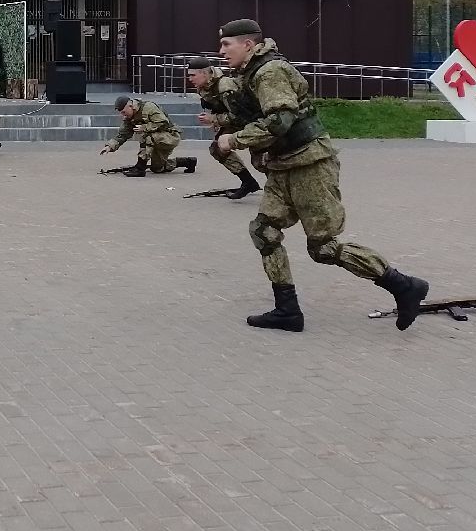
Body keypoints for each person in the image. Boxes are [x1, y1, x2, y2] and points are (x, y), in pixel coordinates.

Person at [215, 19, 430, 332]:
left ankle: (404, 286)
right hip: (283, 167)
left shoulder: (269, 71)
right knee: (264, 232)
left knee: (324, 248)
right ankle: (287, 310)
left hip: (309, 165)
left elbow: (281, 120)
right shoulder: (250, 74)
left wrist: (234, 140)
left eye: (226, 44)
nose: (221, 51)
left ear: (247, 44)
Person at [187, 56, 262, 199]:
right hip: (234, 122)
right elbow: (218, 106)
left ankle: (283, 190)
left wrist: (214, 119)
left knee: (263, 160)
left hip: (254, 122)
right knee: (218, 148)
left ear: (204, 73)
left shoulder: (225, 87)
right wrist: (215, 122)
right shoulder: (204, 86)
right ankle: (248, 182)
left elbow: (241, 116)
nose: (190, 79)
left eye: (193, 75)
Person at [102, 96, 195, 176]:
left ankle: (140, 168)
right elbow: (123, 134)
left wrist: (145, 127)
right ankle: (188, 162)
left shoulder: (149, 107)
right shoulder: (129, 118)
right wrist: (110, 146)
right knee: (157, 168)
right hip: (156, 139)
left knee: (145, 135)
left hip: (169, 136)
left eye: (123, 112)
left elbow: (164, 123)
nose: (123, 116)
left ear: (131, 106)